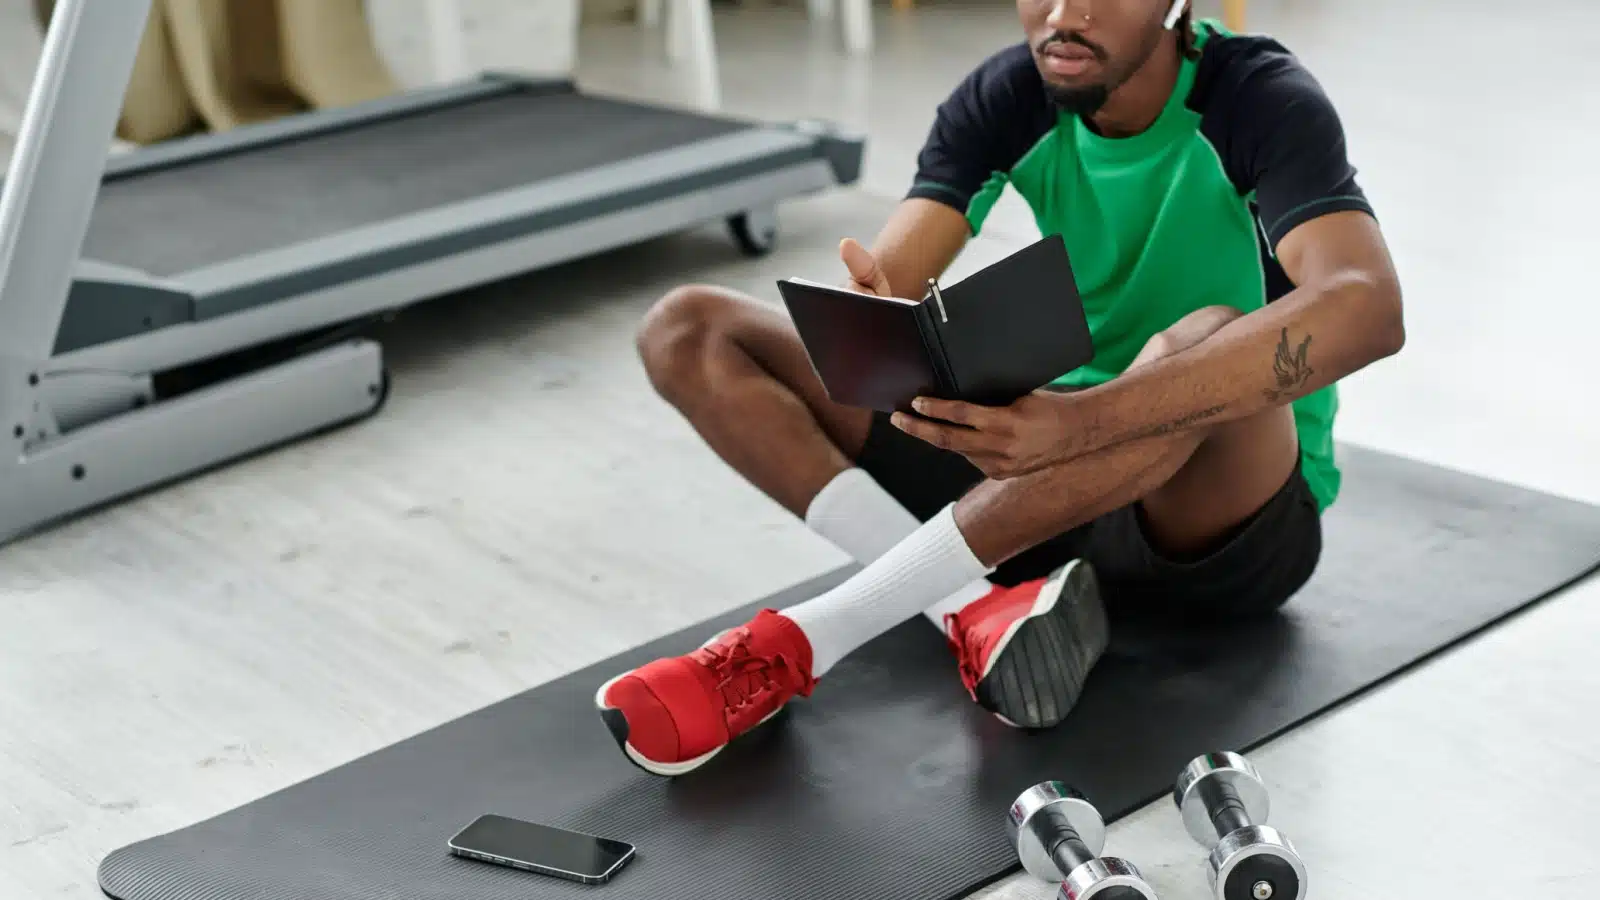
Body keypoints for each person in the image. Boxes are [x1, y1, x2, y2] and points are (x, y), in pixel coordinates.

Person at [595, 0, 1405, 777]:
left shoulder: (1258, 99)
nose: (1064, 14)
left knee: (1206, 336)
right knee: (688, 327)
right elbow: (895, 277)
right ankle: (973, 607)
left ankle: (810, 637)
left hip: (1220, 518)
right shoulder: (1014, 90)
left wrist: (1081, 424)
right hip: (1043, 489)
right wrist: (877, 316)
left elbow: (1368, 306)